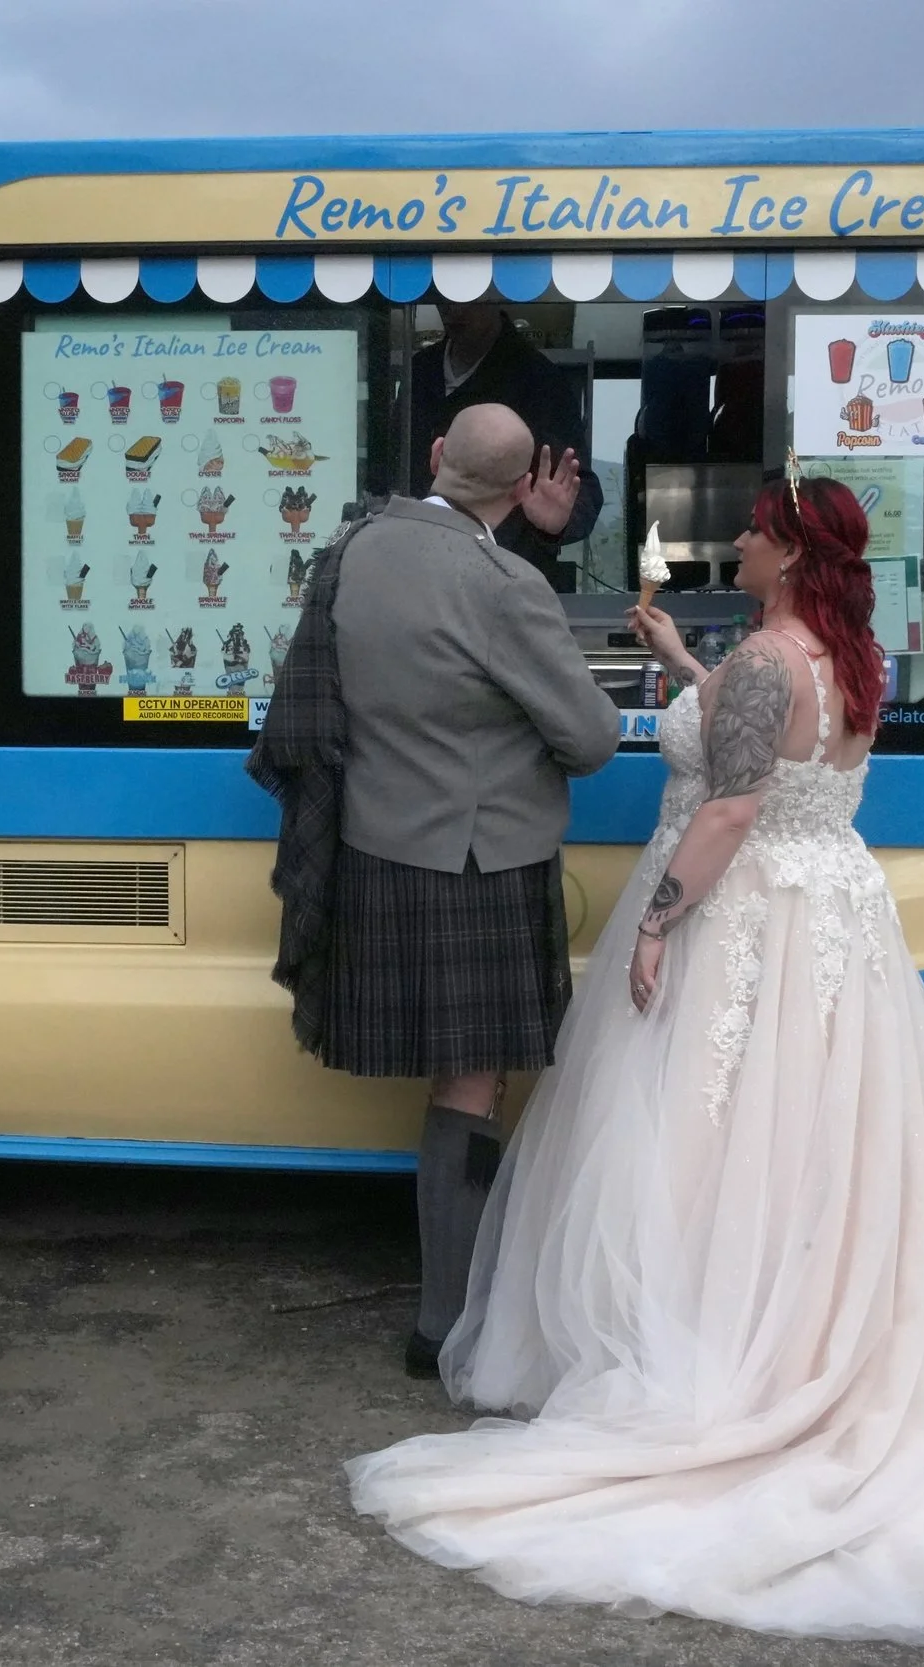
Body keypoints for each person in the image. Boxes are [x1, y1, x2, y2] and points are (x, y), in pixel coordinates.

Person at [346, 468, 924, 1646]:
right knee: (811, 1140)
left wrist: (656, 921)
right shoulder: (844, 656)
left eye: (757, 538)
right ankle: (802, 1327)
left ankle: (704, 1351)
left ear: (788, 553)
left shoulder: (769, 661)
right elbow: (781, 754)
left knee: (697, 1132)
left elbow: (729, 805)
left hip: (746, 915)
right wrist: (679, 661)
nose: (743, 552)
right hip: (833, 915)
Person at [249, 403, 618, 1378]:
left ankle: (450, 1304)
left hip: (375, 847)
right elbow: (588, 739)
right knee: (470, 1084)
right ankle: (446, 1319)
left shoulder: (353, 545)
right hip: (475, 861)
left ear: (433, 457)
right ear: (517, 487)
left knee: (449, 1081)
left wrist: (520, 536)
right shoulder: (502, 585)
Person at [406, 302, 600, 582]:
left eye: (467, 298)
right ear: (439, 455)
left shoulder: (540, 381)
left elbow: (581, 491)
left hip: (504, 580)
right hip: (415, 567)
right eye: (443, 296)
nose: (452, 310)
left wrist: (553, 526)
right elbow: (384, 465)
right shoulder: (420, 370)